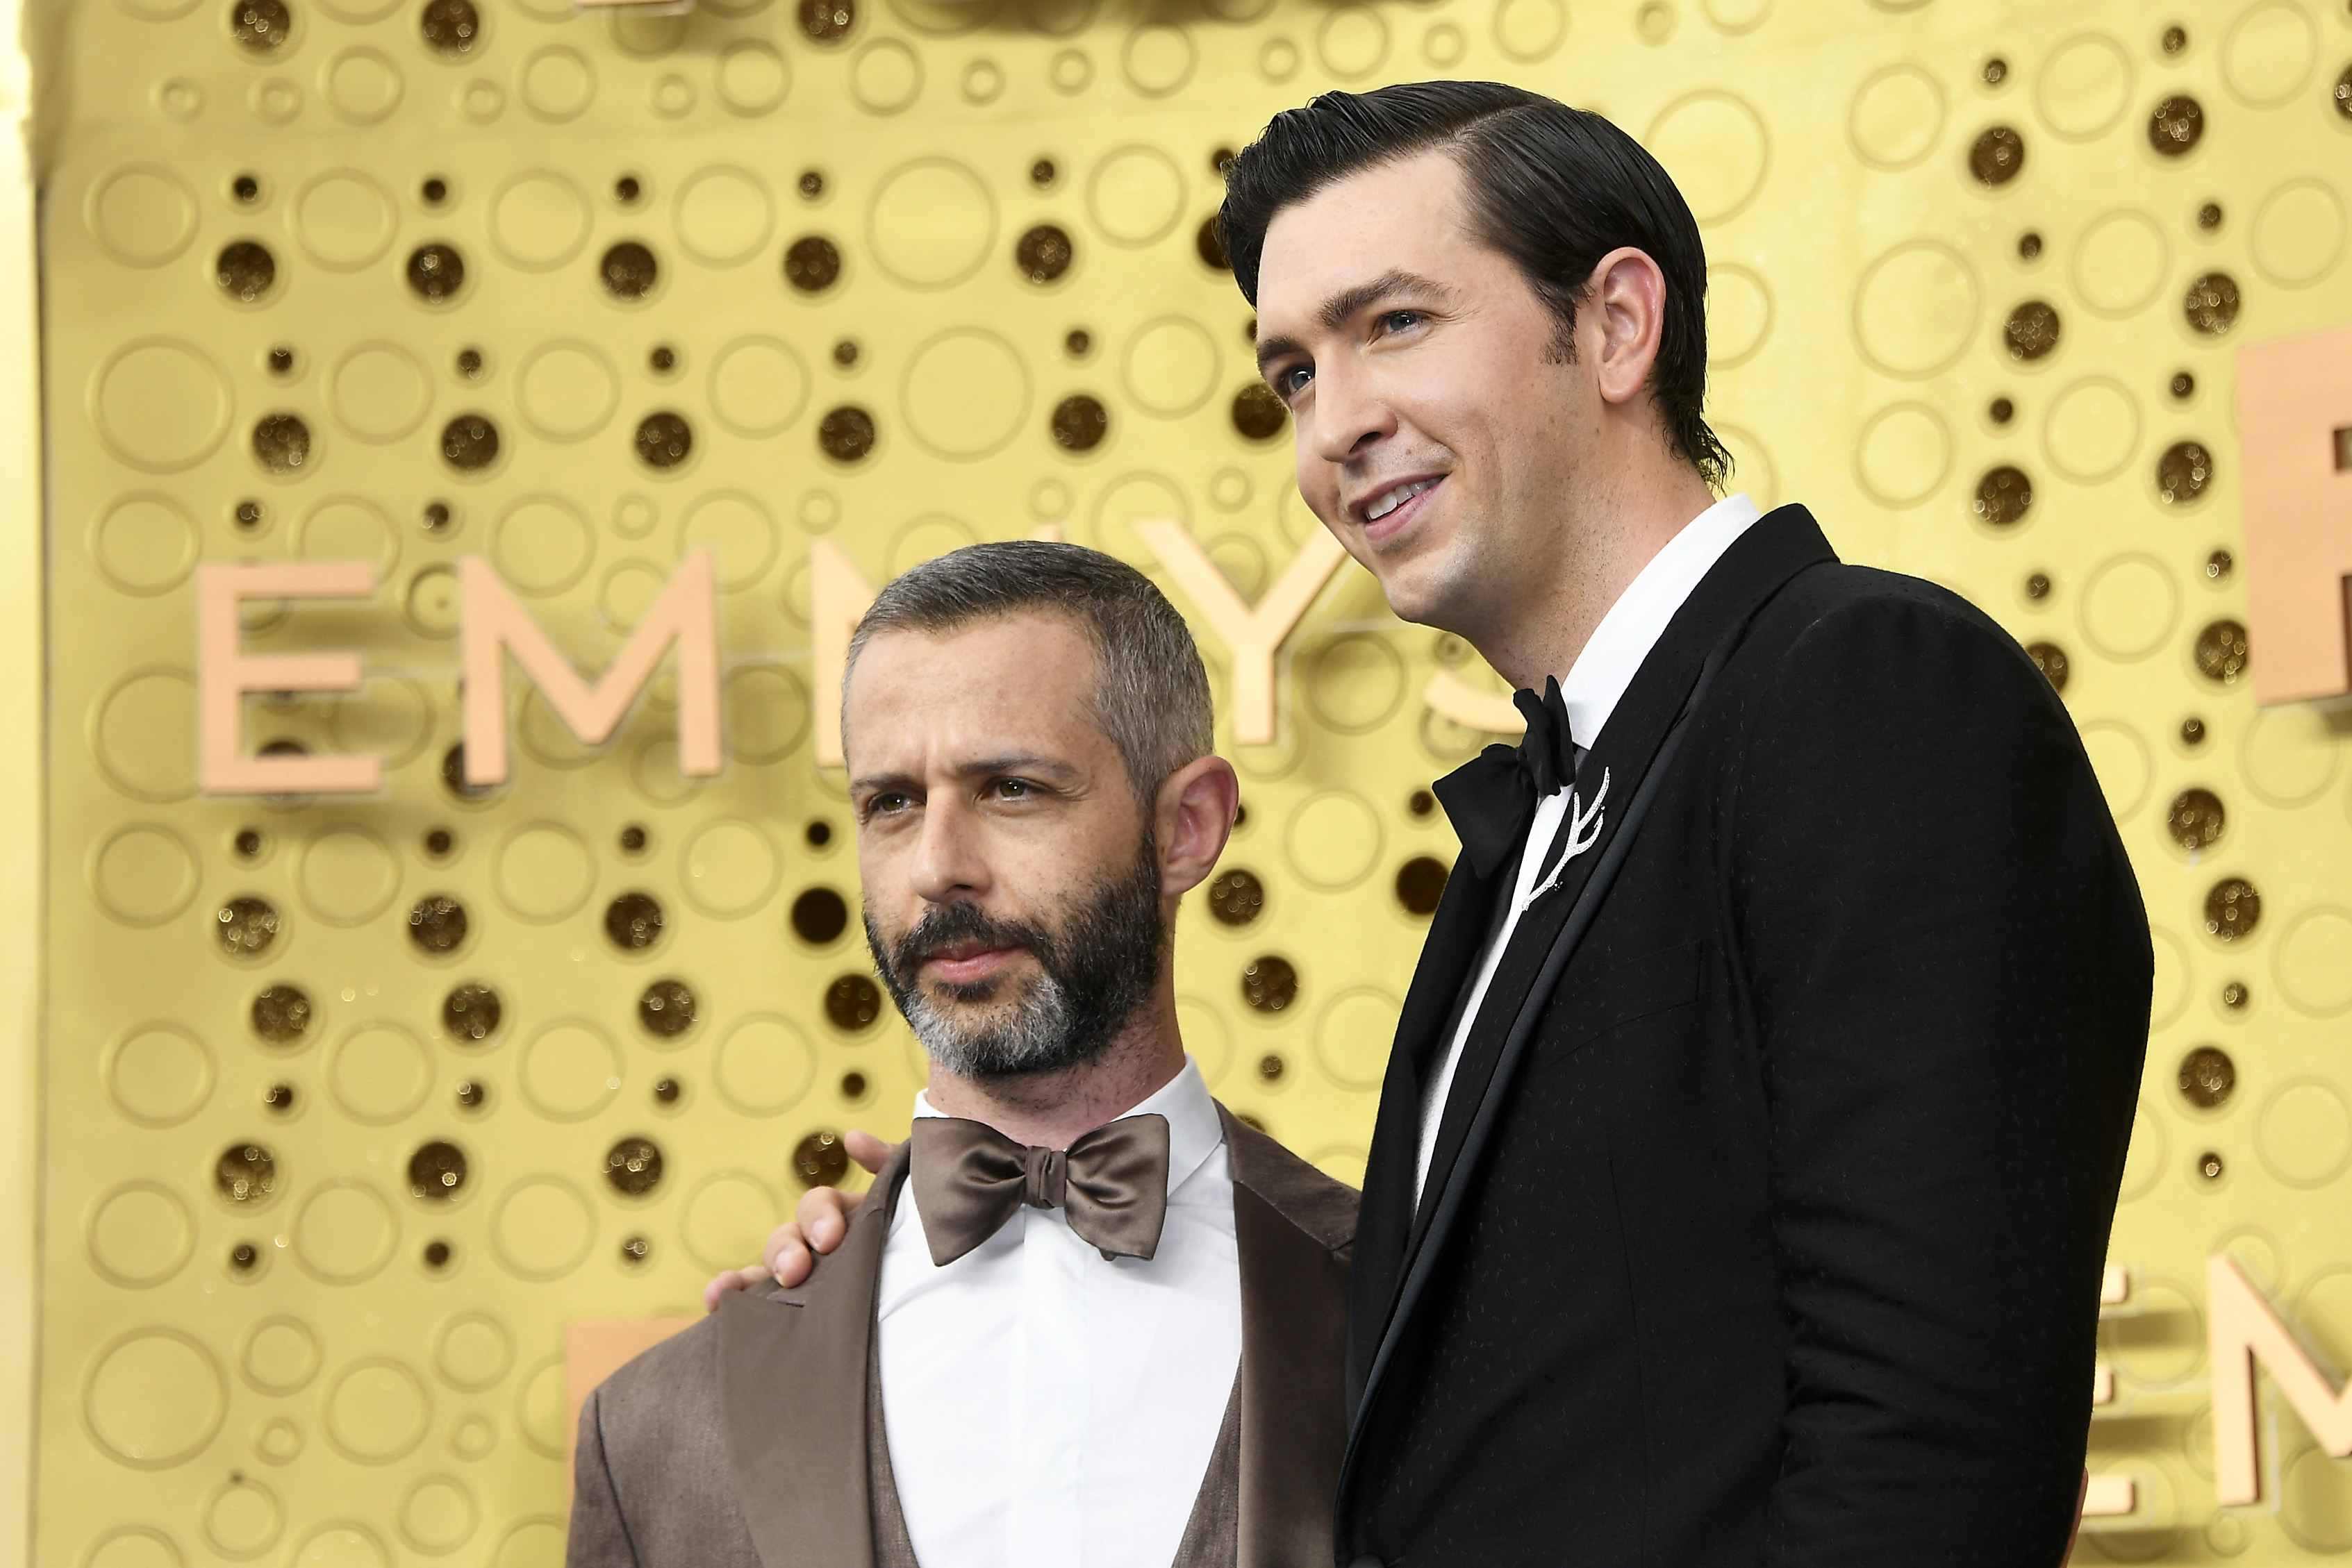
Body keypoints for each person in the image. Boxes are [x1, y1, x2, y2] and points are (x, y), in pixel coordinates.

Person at [721, 82, 2151, 1567]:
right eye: (1289, 373)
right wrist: (917, 1288)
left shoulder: (1863, 689)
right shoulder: (1535, 832)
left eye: (1391, 324)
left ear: (1613, 324)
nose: (1335, 423)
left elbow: (1927, 1452)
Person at [572, 544, 1356, 1568]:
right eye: (891, 802)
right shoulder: (656, 1430)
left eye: (1012, 788)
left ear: (1187, 828)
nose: (939, 866)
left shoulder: (1421, 1313)